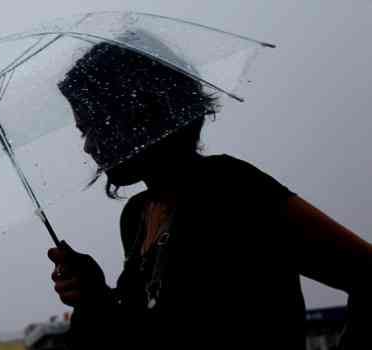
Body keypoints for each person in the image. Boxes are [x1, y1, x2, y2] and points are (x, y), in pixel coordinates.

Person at [47, 40, 372, 349]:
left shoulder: (229, 187)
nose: (89, 145)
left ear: (141, 111)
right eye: (82, 130)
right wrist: (94, 296)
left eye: (95, 124)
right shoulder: (136, 215)